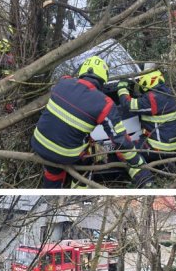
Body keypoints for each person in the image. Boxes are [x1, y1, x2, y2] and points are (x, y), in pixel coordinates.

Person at [31, 56, 154, 188]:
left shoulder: (62, 83)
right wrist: (137, 163)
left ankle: (51, 194)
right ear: (103, 79)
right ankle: (79, 192)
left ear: (82, 72)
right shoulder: (104, 103)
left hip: (38, 143)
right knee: (88, 158)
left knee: (52, 171)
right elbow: (121, 141)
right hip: (66, 154)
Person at [116, 69, 176, 165]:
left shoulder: (152, 99)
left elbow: (128, 105)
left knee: (124, 152)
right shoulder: (167, 93)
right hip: (175, 145)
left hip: (160, 147)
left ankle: (143, 176)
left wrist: (122, 87)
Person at [0, 38, 17, 113]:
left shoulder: (4, 57)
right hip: (11, 78)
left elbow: (1, 70)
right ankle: (10, 106)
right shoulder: (11, 55)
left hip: (7, 78)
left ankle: (10, 108)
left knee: (7, 94)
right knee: (10, 94)